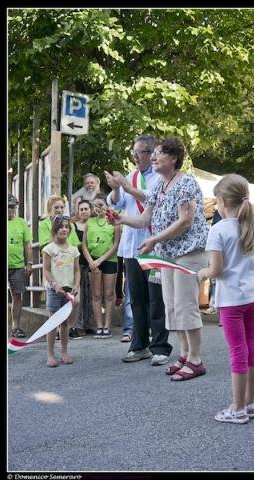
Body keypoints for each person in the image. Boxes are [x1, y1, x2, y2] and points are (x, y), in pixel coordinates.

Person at [115, 136, 209, 379]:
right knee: (172, 306)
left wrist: (155, 240)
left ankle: (196, 360)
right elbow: (145, 219)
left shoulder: (186, 183)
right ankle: (185, 355)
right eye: (153, 154)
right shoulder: (159, 186)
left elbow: (185, 221)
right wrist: (120, 219)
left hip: (188, 253)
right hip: (167, 255)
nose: (153, 158)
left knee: (186, 306)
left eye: (158, 154)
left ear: (174, 158)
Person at [199, 174, 254, 424]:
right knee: (252, 347)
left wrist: (201, 273)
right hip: (253, 297)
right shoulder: (253, 230)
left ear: (223, 201)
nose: (215, 205)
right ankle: (250, 403)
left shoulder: (217, 230)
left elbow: (215, 271)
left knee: (238, 351)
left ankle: (237, 408)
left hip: (231, 301)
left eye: (216, 201)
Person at [105, 135, 172, 365]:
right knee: (137, 298)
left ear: (151, 153)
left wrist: (126, 187)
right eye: (133, 152)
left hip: (153, 243)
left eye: (140, 152)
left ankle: (160, 346)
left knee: (156, 298)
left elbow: (150, 199)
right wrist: (115, 190)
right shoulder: (131, 176)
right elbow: (118, 204)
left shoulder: (160, 177)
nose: (135, 156)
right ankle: (139, 344)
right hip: (132, 245)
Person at [42, 216, 80, 367]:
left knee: (64, 323)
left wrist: (76, 285)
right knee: (53, 322)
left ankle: (64, 352)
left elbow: (77, 271)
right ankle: (50, 354)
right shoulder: (49, 249)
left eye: (66, 227)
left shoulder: (74, 250)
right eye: (61, 227)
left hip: (69, 289)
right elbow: (45, 270)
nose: (64, 229)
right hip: (54, 290)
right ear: (55, 230)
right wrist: (54, 284)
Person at [82, 193, 120, 338]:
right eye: (96, 205)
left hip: (109, 260)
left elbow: (116, 244)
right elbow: (84, 245)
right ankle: (99, 326)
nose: (98, 208)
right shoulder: (89, 222)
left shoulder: (113, 222)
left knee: (109, 294)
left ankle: (107, 326)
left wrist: (101, 260)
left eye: (101, 205)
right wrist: (91, 261)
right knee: (96, 294)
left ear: (107, 205)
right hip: (93, 261)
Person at [8, 193, 33, 338]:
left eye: (13, 207)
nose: (11, 210)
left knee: (17, 295)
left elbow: (27, 245)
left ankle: (15, 327)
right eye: (8, 207)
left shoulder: (22, 222)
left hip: (17, 266)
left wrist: (29, 263)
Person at [72, 199, 96, 335]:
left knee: (92, 294)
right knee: (78, 296)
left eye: (86, 209)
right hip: (78, 263)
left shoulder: (94, 224)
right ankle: (78, 324)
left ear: (90, 210)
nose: (84, 211)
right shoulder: (73, 226)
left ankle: (90, 324)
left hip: (93, 263)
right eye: (81, 209)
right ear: (78, 211)